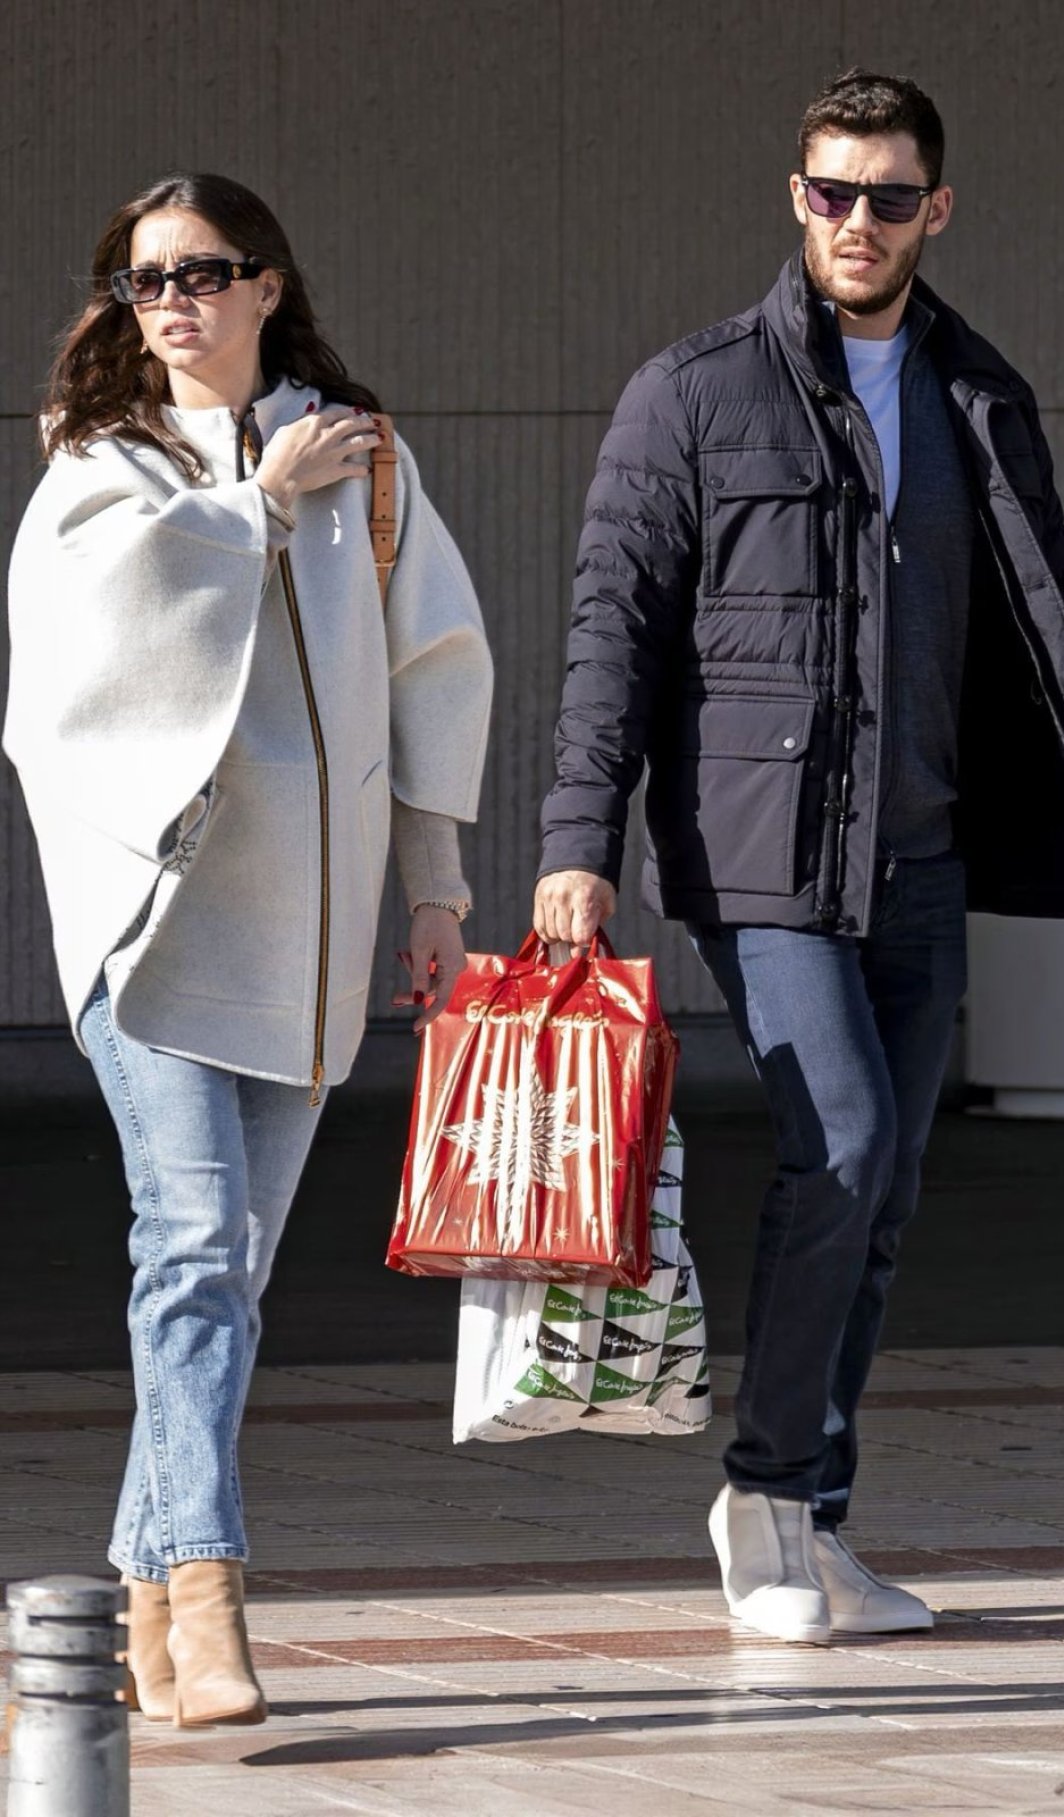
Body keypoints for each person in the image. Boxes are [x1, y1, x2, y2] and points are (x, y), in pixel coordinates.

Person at [534, 69, 1064, 1645]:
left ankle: (816, 1515)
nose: (858, 220)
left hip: (916, 849)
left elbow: (1051, 630)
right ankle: (766, 1495)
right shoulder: (693, 392)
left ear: (937, 209)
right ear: (796, 197)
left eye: (889, 195)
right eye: (832, 191)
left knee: (891, 1184)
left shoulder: (975, 387)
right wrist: (576, 842)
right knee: (836, 1142)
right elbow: (609, 634)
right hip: (762, 852)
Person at [4, 172, 492, 1722]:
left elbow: (432, 663)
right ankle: (209, 1593)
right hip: (152, 927)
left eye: (206, 273)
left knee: (226, 1273)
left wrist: (435, 884)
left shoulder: (362, 456)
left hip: (312, 934)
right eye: (145, 281)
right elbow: (86, 645)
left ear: (269, 284)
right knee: (198, 1247)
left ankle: (145, 1594)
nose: (176, 303)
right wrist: (249, 507)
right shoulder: (102, 466)